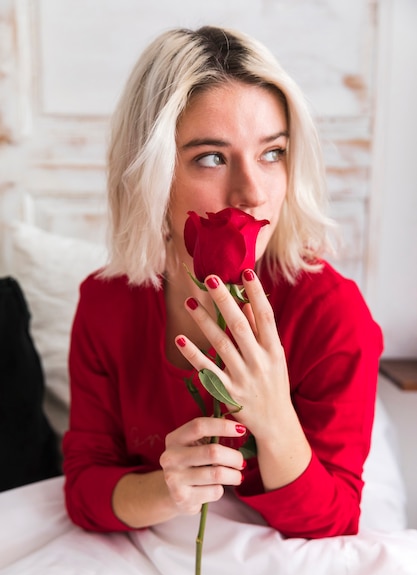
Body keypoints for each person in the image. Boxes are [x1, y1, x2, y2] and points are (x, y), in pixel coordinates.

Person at [62, 25, 383, 539]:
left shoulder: (331, 312)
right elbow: (84, 489)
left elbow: (337, 521)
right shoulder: (107, 304)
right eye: (210, 157)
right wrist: (168, 490)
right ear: (153, 173)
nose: (252, 192)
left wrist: (273, 415)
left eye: (272, 152)